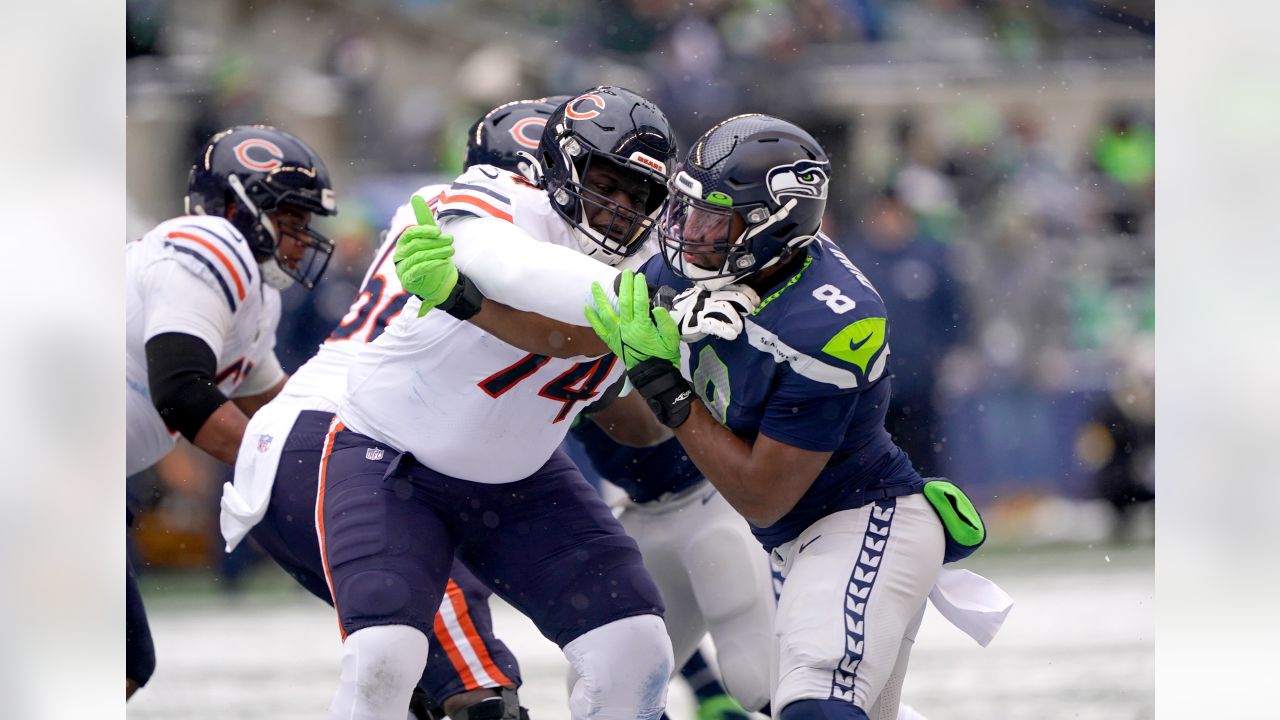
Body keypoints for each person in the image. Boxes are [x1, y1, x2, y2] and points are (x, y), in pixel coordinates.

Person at [582, 115, 987, 720]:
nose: (690, 233)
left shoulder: (832, 319)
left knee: (810, 701)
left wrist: (667, 386)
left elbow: (762, 496)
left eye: (715, 219)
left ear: (775, 225)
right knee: (611, 691)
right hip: (784, 539)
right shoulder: (690, 268)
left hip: (861, 518)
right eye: (687, 210)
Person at [318, 87, 690, 720]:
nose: (621, 208)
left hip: (523, 480)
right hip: (392, 461)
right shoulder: (500, 201)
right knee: (385, 656)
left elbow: (638, 416)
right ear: (562, 167)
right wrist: (660, 302)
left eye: (639, 195)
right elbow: (521, 276)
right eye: (607, 181)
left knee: (635, 648)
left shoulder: (656, 263)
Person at [219, 97, 569, 720]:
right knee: (476, 695)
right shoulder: (502, 220)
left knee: (417, 683)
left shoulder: (445, 207)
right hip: (352, 438)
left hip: (317, 432)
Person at [125, 125, 339, 698]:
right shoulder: (209, 245)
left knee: (121, 661)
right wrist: (285, 469)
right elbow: (182, 390)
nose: (301, 240)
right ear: (235, 208)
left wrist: (361, 446)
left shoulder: (255, 296)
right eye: (291, 220)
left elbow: (283, 407)